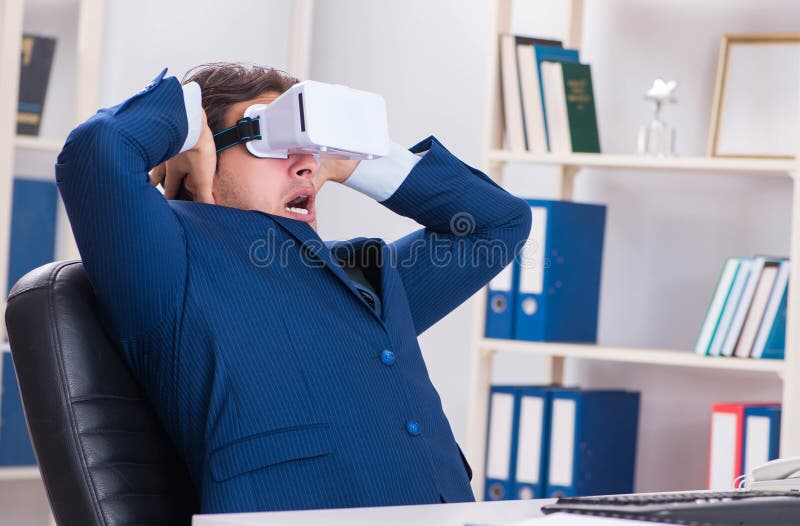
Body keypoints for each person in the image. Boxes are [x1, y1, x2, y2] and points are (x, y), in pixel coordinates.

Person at [55, 63, 532, 514]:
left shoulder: (365, 275)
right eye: (272, 138)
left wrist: (344, 158)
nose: (305, 165)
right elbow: (95, 151)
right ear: (199, 155)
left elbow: (496, 224)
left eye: (307, 146)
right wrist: (185, 118)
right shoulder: (170, 262)